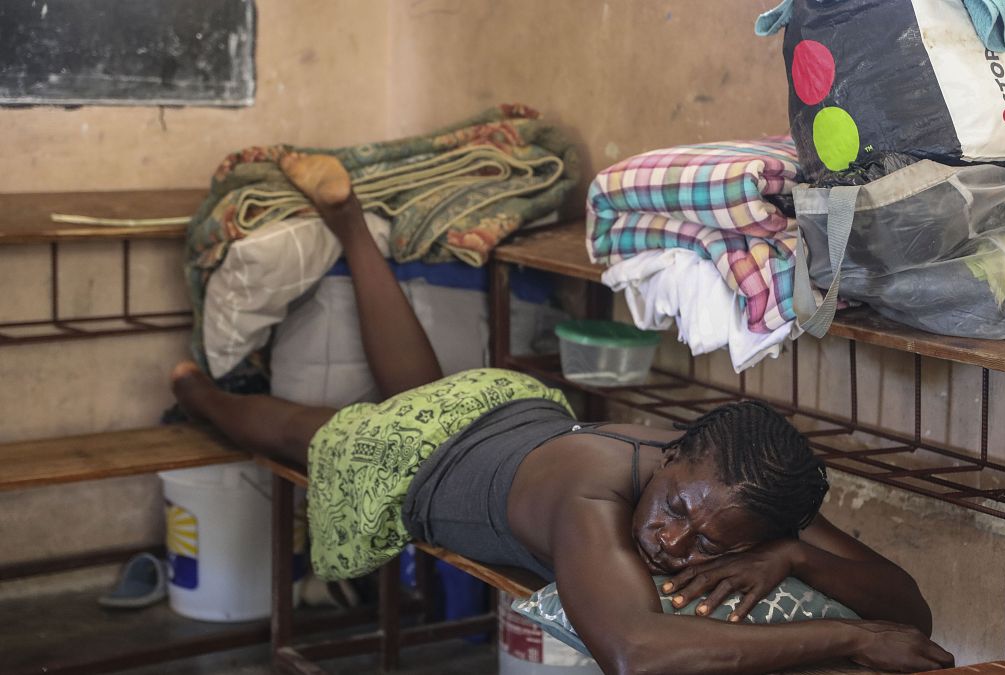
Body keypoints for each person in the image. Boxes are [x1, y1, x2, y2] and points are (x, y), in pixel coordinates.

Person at [171, 153, 955, 674]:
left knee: (418, 393)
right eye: (678, 509)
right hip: (433, 457)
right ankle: (197, 391)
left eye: (713, 541)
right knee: (315, 432)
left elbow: (907, 602)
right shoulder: (594, 500)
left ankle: (348, 222)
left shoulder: (737, 483)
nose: (674, 539)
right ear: (673, 453)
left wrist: (797, 558)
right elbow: (633, 649)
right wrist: (852, 634)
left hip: (509, 406)